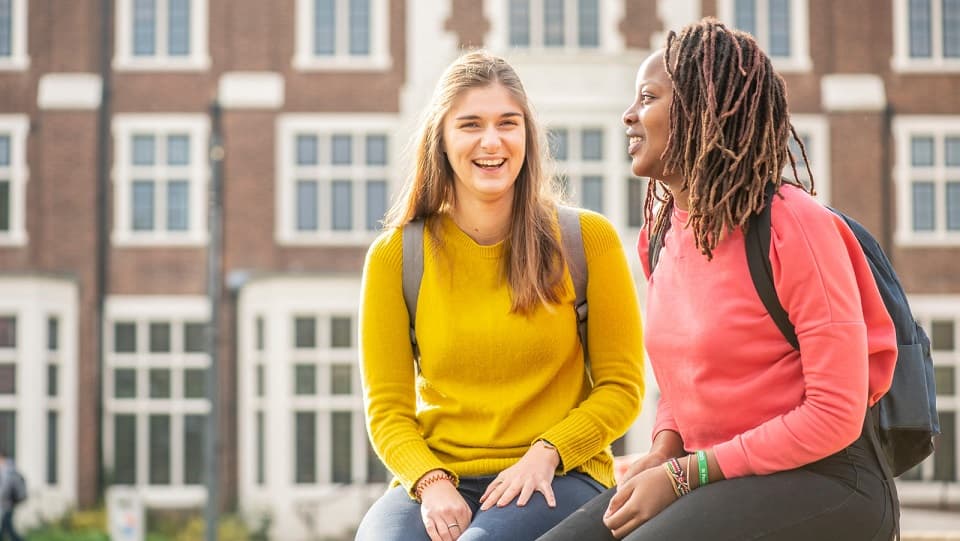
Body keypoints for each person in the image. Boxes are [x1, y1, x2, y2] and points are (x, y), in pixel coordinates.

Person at [539, 17, 898, 541]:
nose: (628, 115)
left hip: (828, 480)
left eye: (647, 98)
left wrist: (688, 473)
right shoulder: (660, 237)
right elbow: (688, 383)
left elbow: (835, 414)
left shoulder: (794, 227)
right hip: (712, 476)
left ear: (698, 113)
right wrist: (665, 449)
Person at [355, 49, 644, 541]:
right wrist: (430, 481)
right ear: (441, 141)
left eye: (507, 123)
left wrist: (547, 452)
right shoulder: (396, 257)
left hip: (559, 475)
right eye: (470, 125)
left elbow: (622, 388)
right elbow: (387, 410)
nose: (492, 140)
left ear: (527, 136)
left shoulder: (586, 239)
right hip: (438, 477)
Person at [0, 450, 23, 541]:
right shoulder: (10, 469)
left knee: (9, 529)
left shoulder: (6, 471)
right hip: (9, 504)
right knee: (5, 528)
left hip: (6, 504)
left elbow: (4, 490)